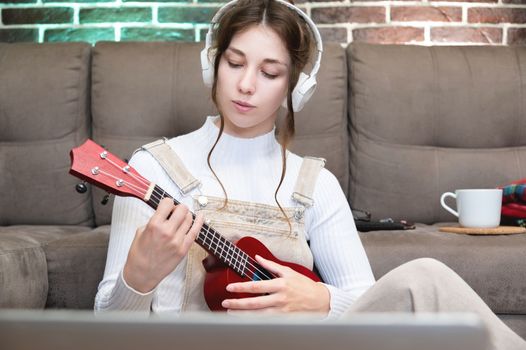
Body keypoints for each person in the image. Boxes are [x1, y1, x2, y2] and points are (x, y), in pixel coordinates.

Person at [94, 1, 526, 349]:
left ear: (294, 87)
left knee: (426, 277)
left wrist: (320, 299)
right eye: (234, 63)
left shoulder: (315, 184)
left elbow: (370, 301)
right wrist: (139, 277)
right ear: (213, 64)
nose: (246, 85)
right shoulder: (153, 169)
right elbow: (106, 331)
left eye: (269, 72)